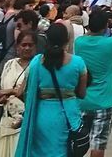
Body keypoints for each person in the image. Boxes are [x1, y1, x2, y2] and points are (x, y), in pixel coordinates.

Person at [14, 23, 89, 157]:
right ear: (67, 40)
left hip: (40, 115)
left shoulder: (37, 62)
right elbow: (82, 94)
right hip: (68, 115)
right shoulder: (78, 62)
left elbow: (23, 91)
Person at [74, 8, 112, 157]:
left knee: (79, 141)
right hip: (103, 101)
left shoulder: (79, 42)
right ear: (105, 26)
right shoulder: (111, 43)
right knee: (98, 143)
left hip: (82, 100)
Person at [0, 32, 35, 157]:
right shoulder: (9, 65)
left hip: (25, 120)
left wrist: (12, 91)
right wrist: (2, 97)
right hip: (6, 120)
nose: (27, 48)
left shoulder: (37, 66)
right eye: (24, 45)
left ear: (35, 47)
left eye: (30, 45)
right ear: (17, 47)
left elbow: (35, 93)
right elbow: (1, 89)